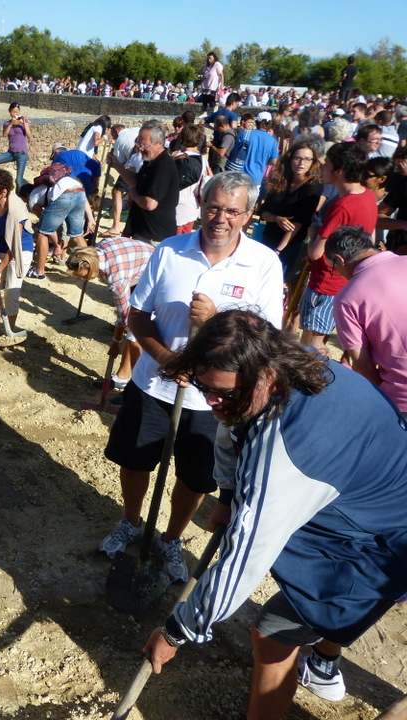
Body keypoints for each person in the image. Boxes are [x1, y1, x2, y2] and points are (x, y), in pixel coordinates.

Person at [142, 309, 407, 720]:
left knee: (272, 636)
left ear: (264, 375)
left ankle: (319, 666)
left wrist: (178, 631)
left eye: (223, 393)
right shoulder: (282, 362)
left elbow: (247, 555)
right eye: (201, 386)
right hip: (359, 495)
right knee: (279, 633)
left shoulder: (288, 449)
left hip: (380, 543)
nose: (210, 401)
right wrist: (228, 494)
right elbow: (230, 426)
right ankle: (321, 658)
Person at [99, 172, 283, 583]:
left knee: (195, 475)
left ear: (248, 215)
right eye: (214, 207)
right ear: (201, 204)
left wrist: (217, 318)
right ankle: (131, 521)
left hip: (214, 401)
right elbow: (138, 314)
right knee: (136, 459)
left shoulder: (264, 264)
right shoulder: (169, 251)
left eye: (233, 211)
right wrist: (166, 359)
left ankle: (171, 538)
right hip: (154, 384)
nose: (221, 218)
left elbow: (267, 337)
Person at [300, 142, 376, 355]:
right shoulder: (368, 196)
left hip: (326, 281)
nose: (322, 168)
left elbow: (315, 252)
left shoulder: (342, 205)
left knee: (311, 344)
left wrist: (314, 231)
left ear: (339, 171)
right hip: (346, 279)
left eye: (326, 165)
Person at [327, 225, 407, 416]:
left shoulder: (347, 298)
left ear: (339, 260)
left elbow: (362, 364)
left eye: (333, 268)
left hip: (401, 398)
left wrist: (385, 392)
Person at [66, 238, 153, 391]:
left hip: (154, 275)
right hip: (137, 266)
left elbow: (124, 316)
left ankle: (140, 387)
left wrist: (115, 342)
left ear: (91, 267)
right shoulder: (97, 250)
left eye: (83, 276)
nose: (81, 279)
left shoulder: (116, 279)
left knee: (135, 336)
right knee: (132, 333)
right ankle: (122, 377)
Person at [258, 135, 324, 277]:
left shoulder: (313, 185)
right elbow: (262, 211)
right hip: (268, 236)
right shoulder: (279, 180)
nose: (302, 163)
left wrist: (279, 249)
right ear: (290, 159)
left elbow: (300, 221)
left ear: (313, 162)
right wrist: (276, 218)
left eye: (307, 159)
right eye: (297, 158)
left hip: (291, 243)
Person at [0, 167, 34, 334]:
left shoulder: (16, 210)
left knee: (11, 291)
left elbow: (13, 247)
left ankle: (10, 329)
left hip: (19, 251)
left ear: (3, 192)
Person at [107, 120, 179, 243]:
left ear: (159, 143)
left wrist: (133, 195)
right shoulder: (150, 161)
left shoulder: (163, 166)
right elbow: (136, 181)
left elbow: (149, 204)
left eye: (145, 146)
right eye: (138, 144)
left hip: (153, 235)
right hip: (141, 230)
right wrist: (117, 165)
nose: (140, 149)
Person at [102, 124, 142, 237]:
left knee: (117, 191)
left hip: (133, 163)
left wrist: (112, 159)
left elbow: (120, 163)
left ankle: (115, 226)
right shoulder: (135, 129)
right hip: (142, 161)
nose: (113, 138)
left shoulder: (119, 140)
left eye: (113, 135)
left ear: (115, 131)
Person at [172, 124, 210, 235]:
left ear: (182, 138)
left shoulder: (175, 158)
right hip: (192, 206)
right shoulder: (203, 160)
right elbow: (210, 180)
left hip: (175, 206)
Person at [226, 111, 279, 189]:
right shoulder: (273, 141)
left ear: (257, 122)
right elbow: (274, 161)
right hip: (256, 178)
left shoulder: (246, 134)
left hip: (240, 175)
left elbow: (235, 151)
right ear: (270, 124)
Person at [0, 102, 32, 190]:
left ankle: (20, 198)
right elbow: (5, 134)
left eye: (17, 112)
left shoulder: (24, 122)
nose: (15, 114)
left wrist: (24, 122)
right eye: (13, 112)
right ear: (10, 112)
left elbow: (29, 135)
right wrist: (11, 124)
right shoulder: (6, 123)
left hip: (22, 153)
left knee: (19, 180)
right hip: (11, 152)